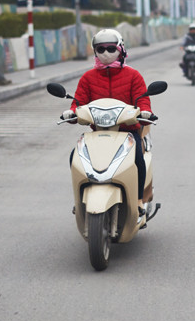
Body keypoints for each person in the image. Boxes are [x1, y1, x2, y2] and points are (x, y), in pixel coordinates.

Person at [61, 29, 155, 220]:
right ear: (95, 51)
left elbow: (142, 99)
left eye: (111, 48)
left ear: (121, 49)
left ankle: (137, 201)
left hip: (128, 132)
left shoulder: (133, 75)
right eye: (100, 49)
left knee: (137, 158)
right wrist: (72, 112)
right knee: (74, 156)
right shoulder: (88, 78)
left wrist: (145, 111)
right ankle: (79, 200)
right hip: (98, 133)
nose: (106, 53)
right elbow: (78, 102)